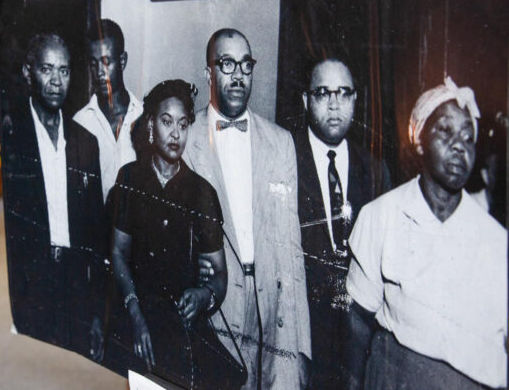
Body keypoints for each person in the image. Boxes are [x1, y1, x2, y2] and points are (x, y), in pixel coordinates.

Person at [345, 77, 507, 390]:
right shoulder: (381, 216)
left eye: (468, 137)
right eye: (445, 130)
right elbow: (356, 322)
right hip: (394, 378)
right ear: (418, 138)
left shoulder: (496, 242)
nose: (459, 145)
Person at [186, 28, 310, 389]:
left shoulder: (280, 142)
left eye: (245, 64)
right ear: (209, 74)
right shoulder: (186, 137)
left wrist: (301, 349)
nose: (238, 75)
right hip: (214, 312)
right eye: (227, 64)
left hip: (272, 311)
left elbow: (292, 250)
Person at [109, 79, 245, 389]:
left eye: (183, 124)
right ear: (151, 126)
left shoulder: (202, 193)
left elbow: (219, 275)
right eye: (166, 121)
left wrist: (204, 295)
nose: (175, 133)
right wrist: (136, 314)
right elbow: (117, 253)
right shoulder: (129, 178)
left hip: (183, 327)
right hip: (136, 313)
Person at [0, 33, 106, 361]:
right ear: (29, 72)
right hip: (30, 282)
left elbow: (97, 235)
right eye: (47, 69)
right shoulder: (11, 138)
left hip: (75, 284)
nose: (56, 81)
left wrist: (99, 313)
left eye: (64, 70)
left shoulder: (85, 142)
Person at [292, 58, 390, 388]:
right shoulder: (284, 157)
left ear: (355, 100)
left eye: (344, 93)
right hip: (299, 339)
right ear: (306, 101)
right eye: (322, 93)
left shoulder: (376, 171)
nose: (334, 105)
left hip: (356, 347)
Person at [74, 19, 143, 201]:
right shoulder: (80, 123)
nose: (99, 72)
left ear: (122, 61)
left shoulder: (144, 116)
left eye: (106, 62)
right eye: (93, 63)